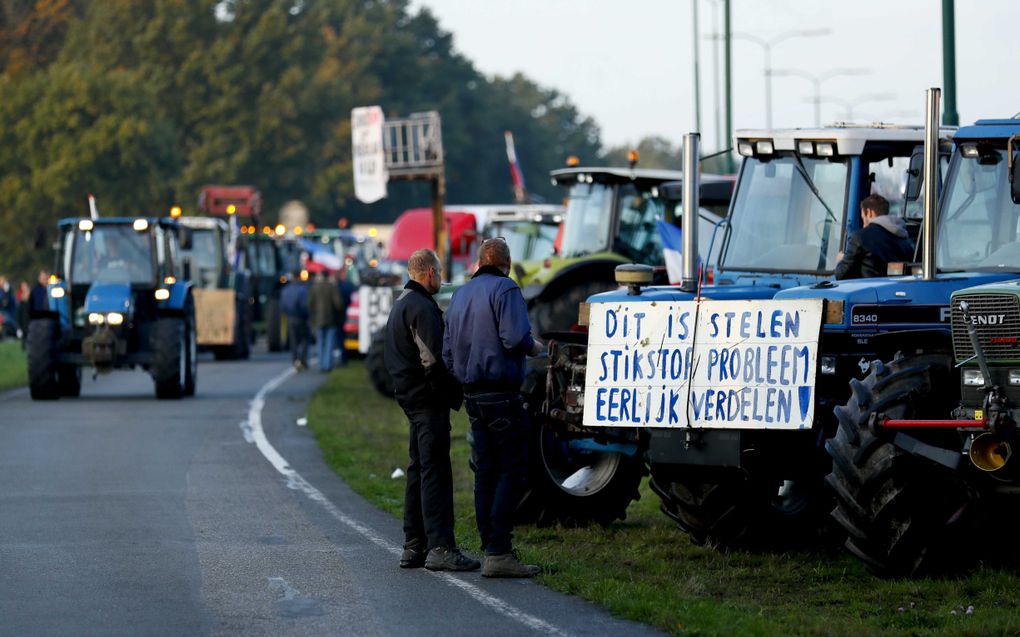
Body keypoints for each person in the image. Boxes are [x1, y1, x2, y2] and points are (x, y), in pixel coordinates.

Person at [442, 238, 544, 578]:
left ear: (477, 262)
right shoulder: (506, 289)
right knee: (514, 471)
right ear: (508, 262)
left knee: (484, 472)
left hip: (472, 395)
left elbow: (447, 353)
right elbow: (515, 337)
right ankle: (499, 550)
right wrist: (535, 347)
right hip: (502, 394)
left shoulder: (459, 295)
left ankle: (490, 546)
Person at [384, 249, 478, 572]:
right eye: (438, 272)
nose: (441, 278)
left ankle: (414, 545)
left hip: (410, 400)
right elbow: (434, 361)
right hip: (428, 402)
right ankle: (440, 546)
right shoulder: (422, 308)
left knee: (418, 470)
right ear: (428, 274)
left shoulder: (399, 305)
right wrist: (454, 395)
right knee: (436, 472)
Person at [834, 194, 914, 280]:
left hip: (868, 291)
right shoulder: (905, 239)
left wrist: (840, 261)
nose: (864, 225)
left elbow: (841, 275)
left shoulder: (859, 237)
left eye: (863, 218)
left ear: (869, 212)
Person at [308, 271, 342, 373]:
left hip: (318, 319)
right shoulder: (332, 287)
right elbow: (338, 304)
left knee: (320, 342)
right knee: (329, 343)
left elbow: (310, 304)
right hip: (331, 319)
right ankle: (327, 364)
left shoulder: (314, 288)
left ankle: (322, 364)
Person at [280, 270, 310, 370]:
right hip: (301, 318)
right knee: (304, 340)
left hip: (290, 317)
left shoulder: (286, 290)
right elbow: (305, 305)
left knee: (293, 340)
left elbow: (283, 305)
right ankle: (303, 360)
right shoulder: (303, 290)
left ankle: (295, 360)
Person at [335, 267, 356, 367]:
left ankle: (343, 359)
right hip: (344, 314)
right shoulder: (348, 286)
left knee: (340, 338)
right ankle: (343, 358)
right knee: (341, 337)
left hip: (339, 315)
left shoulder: (340, 286)